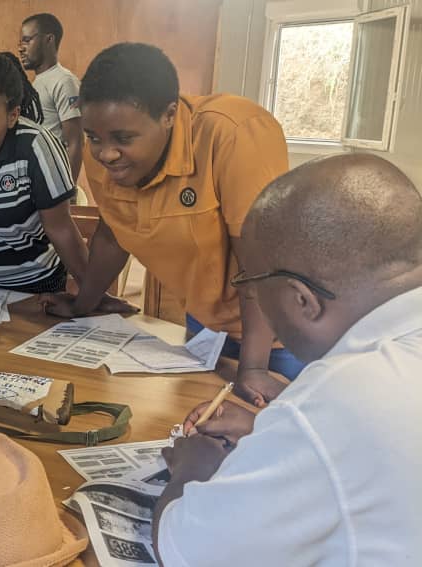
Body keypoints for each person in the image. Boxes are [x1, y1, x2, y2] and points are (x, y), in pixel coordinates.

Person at [153, 154, 422, 567]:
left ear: (302, 300)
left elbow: (186, 550)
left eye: (250, 283)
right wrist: (276, 429)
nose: (252, 299)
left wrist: (193, 467)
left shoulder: (343, 396)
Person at [46, 42, 295, 406]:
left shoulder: (234, 134)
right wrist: (86, 303)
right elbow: (114, 234)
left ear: (169, 114)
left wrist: (253, 368)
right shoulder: (106, 156)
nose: (105, 154)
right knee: (195, 429)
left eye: (123, 139)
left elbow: (262, 267)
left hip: (280, 333)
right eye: (93, 137)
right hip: (206, 324)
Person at [0, 52, 136, 315]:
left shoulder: (35, 146)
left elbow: (61, 229)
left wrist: (94, 295)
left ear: (12, 116)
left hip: (38, 284)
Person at [19, 13, 83, 185]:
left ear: (49, 39)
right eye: (20, 42)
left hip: (54, 184)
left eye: (27, 40)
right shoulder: (36, 83)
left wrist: (67, 190)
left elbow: (75, 142)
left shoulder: (64, 81)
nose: (21, 48)